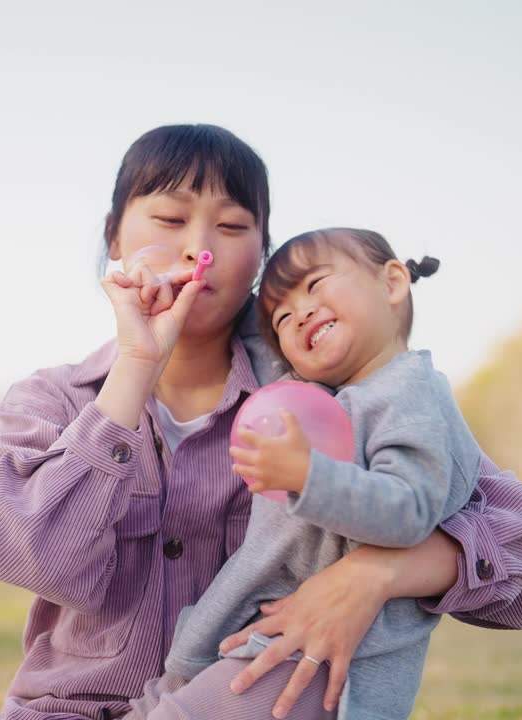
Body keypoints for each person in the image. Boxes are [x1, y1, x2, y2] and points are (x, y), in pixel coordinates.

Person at [0, 124, 522, 720]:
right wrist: (135, 366)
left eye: (231, 229)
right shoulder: (49, 401)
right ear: (114, 239)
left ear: (260, 256)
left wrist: (375, 573)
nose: (201, 251)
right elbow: (32, 557)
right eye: (168, 220)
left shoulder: (332, 397)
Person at [130, 228, 480, 720]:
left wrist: (308, 475)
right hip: (257, 637)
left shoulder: (408, 393)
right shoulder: (324, 394)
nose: (302, 314)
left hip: (316, 659)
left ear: (394, 281)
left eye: (315, 286)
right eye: (284, 318)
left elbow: (411, 511)